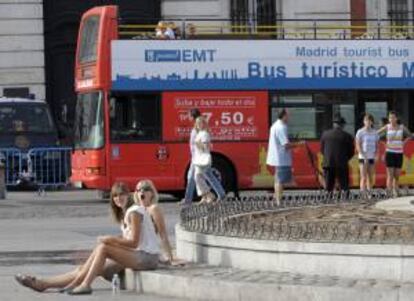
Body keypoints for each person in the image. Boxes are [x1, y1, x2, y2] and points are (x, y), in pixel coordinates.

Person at [14, 181, 172, 295]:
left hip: (146, 258)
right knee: (85, 266)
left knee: (103, 247)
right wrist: (112, 240)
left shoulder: (135, 211)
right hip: (139, 256)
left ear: (129, 195)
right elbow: (133, 242)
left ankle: (83, 284)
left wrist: (110, 239)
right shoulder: (127, 214)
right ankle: (44, 284)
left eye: (122, 194)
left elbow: (134, 242)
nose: (118, 198)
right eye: (115, 196)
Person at [182, 109, 225, 205]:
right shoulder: (197, 130)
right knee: (201, 177)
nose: (188, 118)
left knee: (196, 177)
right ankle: (210, 195)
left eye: (189, 116)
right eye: (198, 123)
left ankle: (206, 196)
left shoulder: (201, 132)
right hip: (197, 157)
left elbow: (204, 145)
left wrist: (198, 145)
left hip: (200, 158)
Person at [266, 109, 304, 204]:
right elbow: (286, 145)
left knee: (278, 178)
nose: (289, 117)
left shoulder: (276, 125)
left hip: (279, 157)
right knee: (280, 180)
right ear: (284, 116)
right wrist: (299, 144)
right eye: (288, 115)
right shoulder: (281, 127)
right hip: (281, 158)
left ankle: (276, 198)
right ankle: (279, 201)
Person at [377, 111, 412, 196]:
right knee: (390, 175)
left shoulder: (402, 127)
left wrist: (403, 143)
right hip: (389, 153)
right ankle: (389, 192)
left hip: (399, 153)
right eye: (390, 118)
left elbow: (410, 136)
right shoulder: (387, 127)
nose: (391, 119)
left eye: (393, 117)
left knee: (396, 175)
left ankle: (395, 190)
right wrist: (384, 144)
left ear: (396, 118)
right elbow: (376, 134)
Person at [320, 115, 354, 192]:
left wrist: (328, 157)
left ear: (334, 124)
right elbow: (351, 152)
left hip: (328, 163)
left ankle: (328, 200)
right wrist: (345, 158)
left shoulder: (325, 134)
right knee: (344, 185)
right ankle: (345, 200)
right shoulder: (347, 136)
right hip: (342, 164)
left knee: (328, 186)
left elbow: (322, 150)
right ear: (342, 125)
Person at [193, 116, 216, 203]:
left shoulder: (205, 134)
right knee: (198, 177)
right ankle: (204, 196)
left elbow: (205, 147)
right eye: (197, 123)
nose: (199, 125)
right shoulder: (199, 133)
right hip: (198, 159)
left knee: (198, 177)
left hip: (203, 159)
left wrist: (197, 143)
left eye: (201, 123)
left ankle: (209, 195)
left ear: (204, 124)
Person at [355, 114, 379, 192]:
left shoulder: (375, 132)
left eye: (369, 120)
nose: (367, 122)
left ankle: (369, 193)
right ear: (363, 122)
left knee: (371, 177)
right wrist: (363, 155)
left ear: (372, 122)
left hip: (371, 157)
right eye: (366, 120)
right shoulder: (360, 132)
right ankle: (363, 194)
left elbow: (377, 145)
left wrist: (377, 155)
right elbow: (358, 145)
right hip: (363, 157)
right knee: (363, 177)